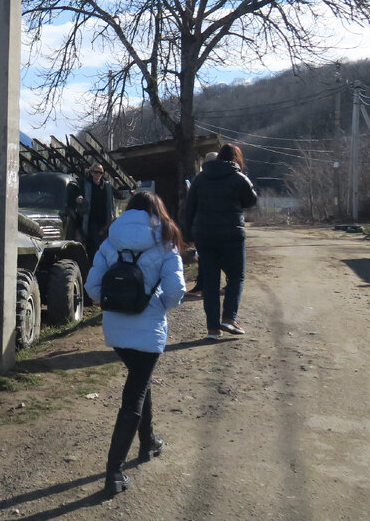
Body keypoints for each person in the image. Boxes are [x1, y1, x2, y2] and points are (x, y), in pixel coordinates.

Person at [83, 191, 187, 497]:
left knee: (140, 382)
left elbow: (91, 287)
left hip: (115, 331)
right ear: (157, 211)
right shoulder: (166, 239)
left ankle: (148, 443)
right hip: (148, 329)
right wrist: (158, 307)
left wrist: (114, 302)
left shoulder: (109, 240)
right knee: (134, 395)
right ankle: (113, 473)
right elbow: (176, 289)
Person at [184, 143, 258, 340]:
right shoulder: (238, 177)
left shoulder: (200, 179)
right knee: (236, 277)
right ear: (236, 159)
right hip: (231, 235)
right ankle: (229, 318)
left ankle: (212, 329)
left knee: (210, 281)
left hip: (204, 236)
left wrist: (188, 236)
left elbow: (188, 207)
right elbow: (252, 200)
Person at [185, 151, 220, 297]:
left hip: (204, 225)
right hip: (219, 226)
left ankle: (204, 287)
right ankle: (205, 286)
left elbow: (193, 205)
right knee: (214, 259)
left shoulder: (201, 179)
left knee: (205, 259)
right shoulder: (225, 178)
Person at [77, 162, 118, 260]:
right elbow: (78, 193)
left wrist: (112, 218)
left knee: (105, 245)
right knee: (94, 246)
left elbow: (111, 203)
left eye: (101, 173)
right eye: (96, 172)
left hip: (104, 220)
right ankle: (93, 265)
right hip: (91, 220)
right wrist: (79, 198)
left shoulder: (106, 186)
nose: (98, 175)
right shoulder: (85, 184)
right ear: (91, 172)